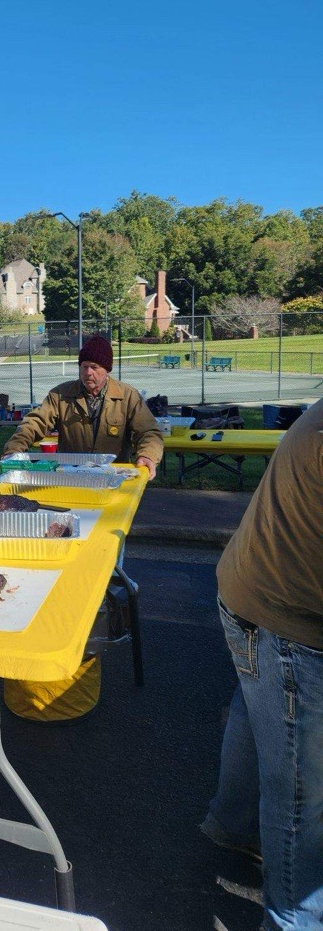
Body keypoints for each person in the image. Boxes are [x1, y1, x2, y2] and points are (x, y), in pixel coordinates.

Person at [201, 397, 323, 930]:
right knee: (300, 791)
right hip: (287, 620)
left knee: (260, 715)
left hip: (254, 595)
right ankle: (293, 921)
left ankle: (233, 825)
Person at [2, 334, 163, 477]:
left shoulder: (128, 396)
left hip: (115, 476)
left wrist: (147, 455)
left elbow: (148, 431)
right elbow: (33, 423)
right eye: (84, 366)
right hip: (70, 477)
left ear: (107, 370)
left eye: (94, 367)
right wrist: (13, 450)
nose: (88, 372)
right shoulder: (60, 395)